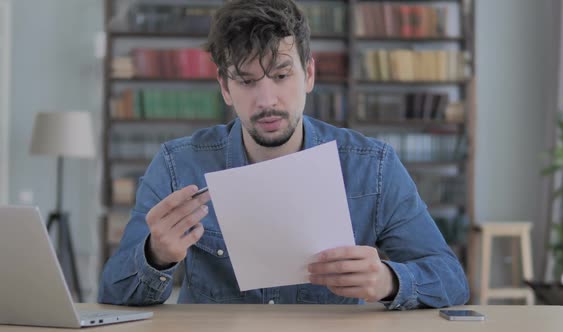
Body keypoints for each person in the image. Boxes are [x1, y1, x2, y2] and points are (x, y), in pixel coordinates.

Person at [99, 0, 469, 309]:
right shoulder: (177, 166)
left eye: (280, 75)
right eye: (246, 81)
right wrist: (156, 255)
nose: (267, 101)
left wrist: (389, 280)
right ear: (225, 88)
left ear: (308, 75)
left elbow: (452, 281)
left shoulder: (372, 166)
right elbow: (111, 294)